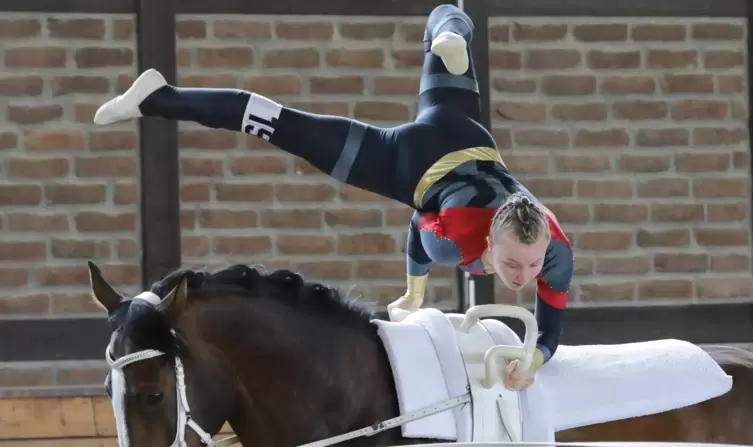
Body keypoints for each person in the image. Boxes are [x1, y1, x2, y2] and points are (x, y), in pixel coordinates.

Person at [93, 4, 573, 391]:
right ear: (490, 243)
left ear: (546, 244)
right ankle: (157, 97)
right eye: (510, 266)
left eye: (532, 266)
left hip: (460, 126)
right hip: (407, 163)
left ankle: (451, 31)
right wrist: (416, 292)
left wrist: (530, 359)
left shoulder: (554, 249)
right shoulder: (457, 241)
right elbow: (416, 228)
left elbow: (548, 335)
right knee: (280, 126)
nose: (522, 277)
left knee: (447, 12)